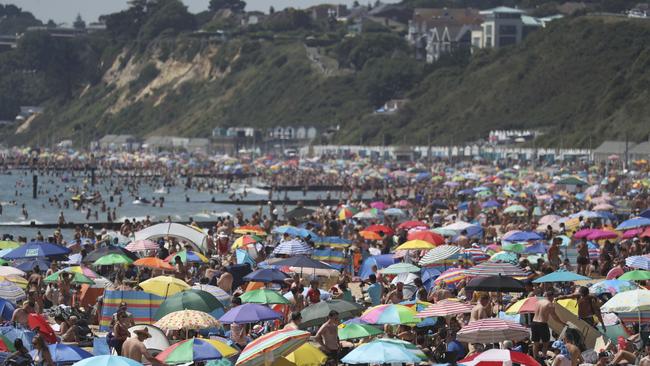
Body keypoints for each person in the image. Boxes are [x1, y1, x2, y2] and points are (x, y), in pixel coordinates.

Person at [531, 290, 567, 358]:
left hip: (534, 323)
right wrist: (562, 323)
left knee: (535, 343)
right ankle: (544, 356)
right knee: (546, 342)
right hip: (542, 324)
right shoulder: (550, 304)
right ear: (552, 296)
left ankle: (535, 358)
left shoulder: (538, 302)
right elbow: (554, 317)